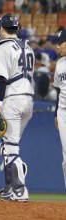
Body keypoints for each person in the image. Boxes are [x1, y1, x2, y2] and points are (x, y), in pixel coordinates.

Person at [0, 13, 35, 201]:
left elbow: (1, 79)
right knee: (9, 146)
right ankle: (10, 187)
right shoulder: (28, 46)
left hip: (12, 100)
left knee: (10, 148)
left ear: (1, 28)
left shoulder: (1, 47)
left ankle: (20, 190)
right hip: (28, 100)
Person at [52, 29, 66, 189]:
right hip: (62, 112)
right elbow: (57, 89)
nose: (57, 47)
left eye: (60, 43)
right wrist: (56, 112)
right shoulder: (60, 63)